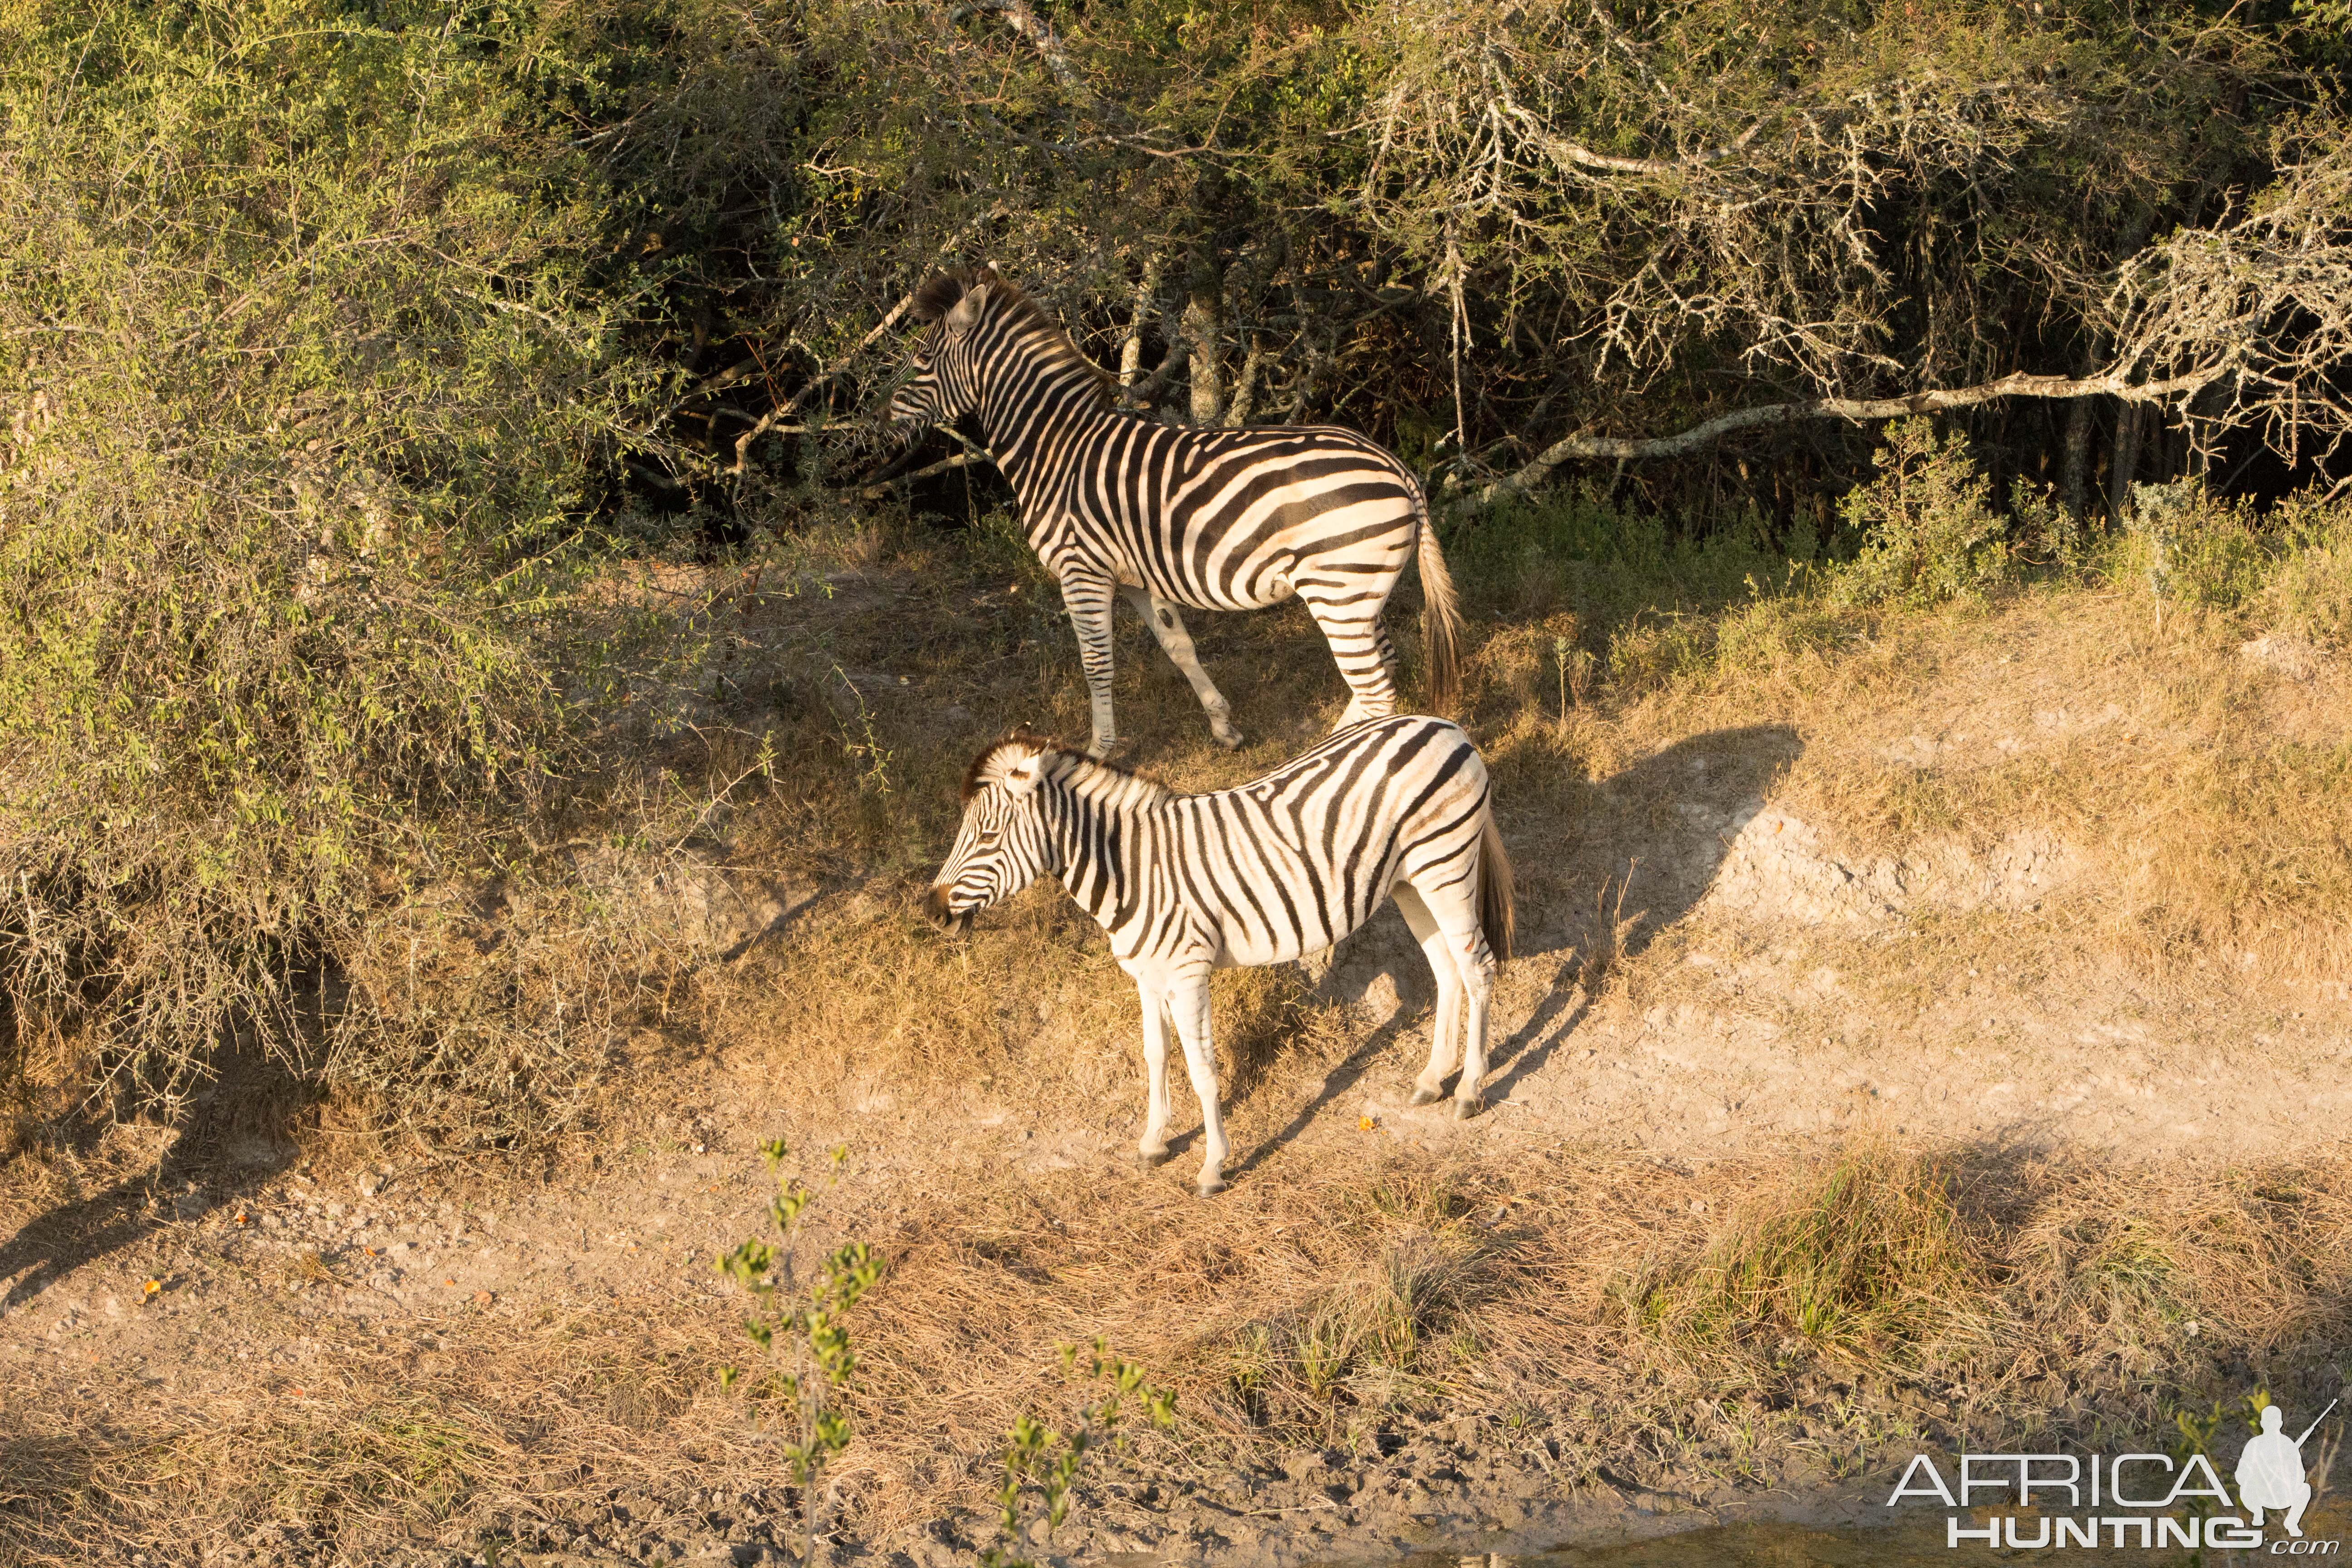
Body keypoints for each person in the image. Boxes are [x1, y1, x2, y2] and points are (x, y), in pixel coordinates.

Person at [2237, 1404, 2312, 1537]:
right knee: (2247, 1484)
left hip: (2283, 1496)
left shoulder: (2288, 1444)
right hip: (2260, 1495)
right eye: (2269, 1421)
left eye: (2274, 1421)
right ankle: (2257, 1513)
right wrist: (2258, 1474)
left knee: (2305, 1489)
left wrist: (2284, 1475)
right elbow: (2241, 1474)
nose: (2272, 1424)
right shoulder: (2254, 1444)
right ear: (2262, 1423)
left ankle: (2292, 1523)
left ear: (2280, 1424)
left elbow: (2300, 1476)